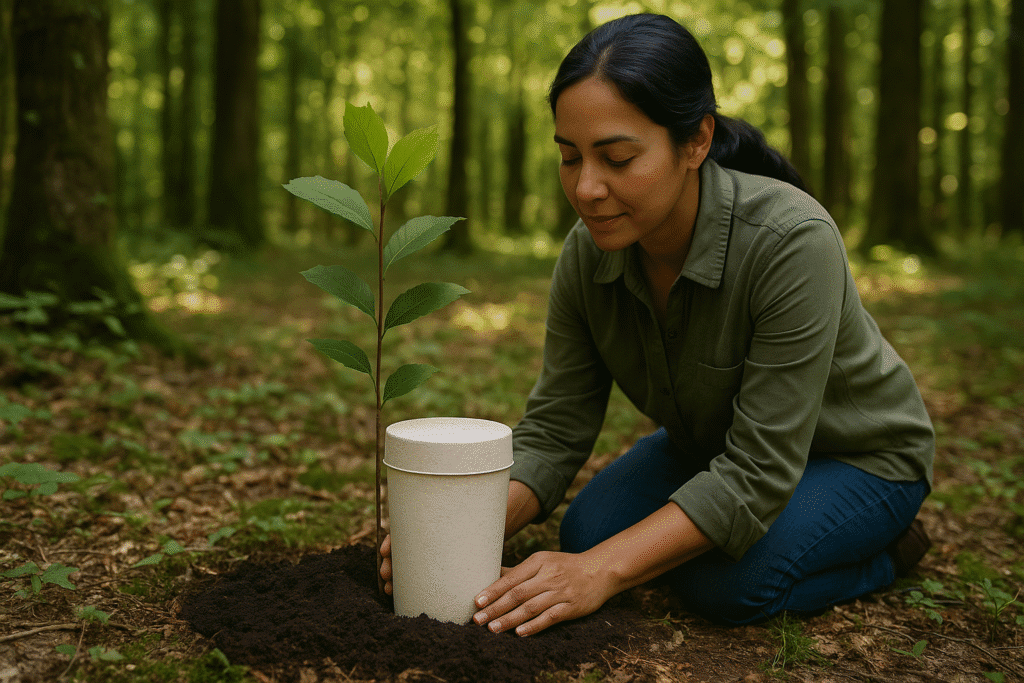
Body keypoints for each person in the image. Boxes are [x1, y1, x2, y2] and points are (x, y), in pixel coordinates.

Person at [381, 12, 934, 637]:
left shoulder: (791, 241)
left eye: (617, 158)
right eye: (569, 157)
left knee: (728, 584)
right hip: (715, 448)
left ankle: (889, 552)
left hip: (858, 458)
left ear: (695, 142)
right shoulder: (587, 255)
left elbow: (760, 468)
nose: (587, 189)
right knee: (587, 532)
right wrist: (457, 532)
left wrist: (601, 573)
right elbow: (557, 428)